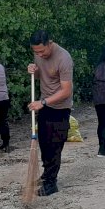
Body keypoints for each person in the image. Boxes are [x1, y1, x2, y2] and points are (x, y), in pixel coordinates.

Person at [27, 30, 73, 197]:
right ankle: (47, 175)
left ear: (49, 43)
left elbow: (66, 90)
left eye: (42, 51)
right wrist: (33, 70)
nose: (39, 54)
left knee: (55, 145)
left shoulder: (64, 58)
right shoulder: (39, 54)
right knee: (44, 142)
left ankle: (51, 183)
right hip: (44, 105)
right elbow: (41, 75)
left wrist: (43, 102)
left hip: (60, 107)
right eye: (35, 52)